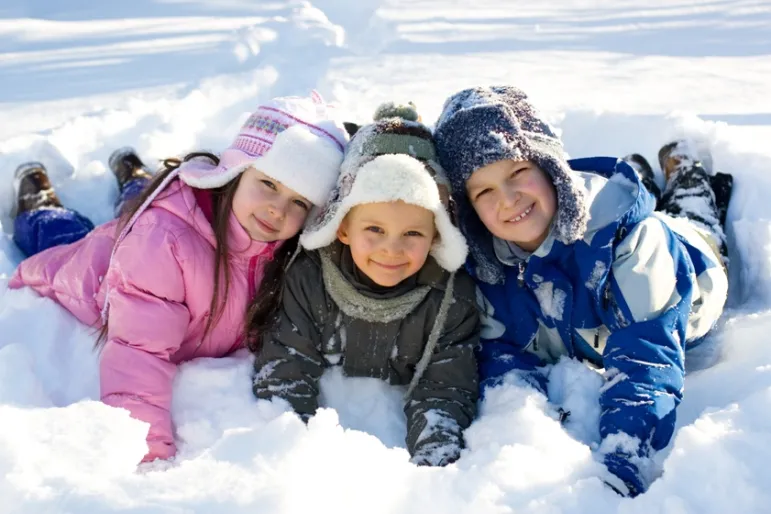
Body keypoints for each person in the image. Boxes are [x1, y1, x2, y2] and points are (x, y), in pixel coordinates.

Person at [7, 93, 347, 463]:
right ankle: (39, 202)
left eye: (299, 202)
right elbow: (138, 354)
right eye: (269, 184)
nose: (277, 209)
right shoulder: (162, 245)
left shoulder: (286, 252)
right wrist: (147, 452)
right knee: (63, 235)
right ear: (236, 171)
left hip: (153, 234)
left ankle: (135, 179)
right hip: (95, 269)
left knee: (139, 204)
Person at [432, 86, 731, 496]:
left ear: (551, 166)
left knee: (690, 221)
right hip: (589, 310)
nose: (507, 198)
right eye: (484, 191)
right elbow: (502, 353)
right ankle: (640, 175)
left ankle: (688, 180)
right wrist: (520, 429)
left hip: (688, 267)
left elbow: (645, 361)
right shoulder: (489, 263)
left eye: (518, 172)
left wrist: (623, 462)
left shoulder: (633, 244)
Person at [251, 103, 480, 467]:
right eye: (374, 229)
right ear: (342, 227)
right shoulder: (310, 278)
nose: (392, 249)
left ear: (436, 235)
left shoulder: (450, 299)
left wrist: (436, 469)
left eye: (413, 233)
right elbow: (285, 367)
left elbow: (445, 389)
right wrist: (292, 456)